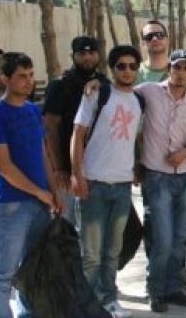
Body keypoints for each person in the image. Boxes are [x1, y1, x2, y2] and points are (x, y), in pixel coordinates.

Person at [0, 52, 61, 318]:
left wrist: (54, 192)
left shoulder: (32, 111)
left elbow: (43, 154)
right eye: (21, 76)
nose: (28, 81)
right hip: (11, 205)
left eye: (31, 75)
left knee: (33, 270)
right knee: (4, 274)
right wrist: (40, 192)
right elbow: (5, 168)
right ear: (4, 79)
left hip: (41, 203)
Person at [70, 45, 144, 318]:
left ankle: (109, 298)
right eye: (121, 66)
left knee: (113, 251)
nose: (127, 71)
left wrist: (136, 166)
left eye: (132, 66)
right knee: (91, 254)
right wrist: (77, 174)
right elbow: (77, 135)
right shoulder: (97, 94)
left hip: (122, 187)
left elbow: (135, 138)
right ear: (112, 69)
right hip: (94, 184)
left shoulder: (139, 101)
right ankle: (84, 306)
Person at [136, 49, 186, 312]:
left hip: (183, 177)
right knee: (162, 238)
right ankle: (155, 289)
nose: (181, 73)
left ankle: (173, 288)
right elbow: (122, 92)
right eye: (177, 67)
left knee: (180, 237)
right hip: (156, 177)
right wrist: (96, 84)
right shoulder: (149, 91)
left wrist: (184, 153)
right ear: (168, 69)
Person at [43, 36, 109, 226]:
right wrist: (59, 168)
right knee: (68, 228)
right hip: (68, 173)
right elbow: (50, 128)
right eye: (82, 53)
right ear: (72, 55)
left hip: (99, 171)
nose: (87, 57)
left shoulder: (104, 84)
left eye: (91, 53)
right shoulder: (60, 85)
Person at [136, 20, 186, 95]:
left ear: (167, 40)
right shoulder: (134, 73)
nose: (155, 39)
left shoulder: (183, 69)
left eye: (160, 35)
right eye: (149, 36)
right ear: (143, 43)